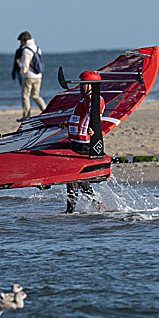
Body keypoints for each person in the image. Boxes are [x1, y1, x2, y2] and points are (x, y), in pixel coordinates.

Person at [60, 70, 105, 213]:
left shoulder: (95, 98)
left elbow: (95, 116)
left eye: (83, 84)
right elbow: (81, 116)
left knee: (73, 177)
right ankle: (95, 202)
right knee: (77, 178)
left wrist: (93, 129)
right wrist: (68, 123)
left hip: (83, 144)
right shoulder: (84, 98)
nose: (80, 86)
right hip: (74, 141)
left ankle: (71, 211)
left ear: (91, 85)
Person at [13, 31, 46, 121]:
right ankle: (46, 111)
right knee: (36, 96)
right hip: (38, 75)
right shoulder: (37, 48)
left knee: (25, 96)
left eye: (21, 41)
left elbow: (25, 65)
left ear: (24, 40)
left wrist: (22, 73)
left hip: (28, 76)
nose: (20, 43)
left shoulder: (26, 50)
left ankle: (26, 116)